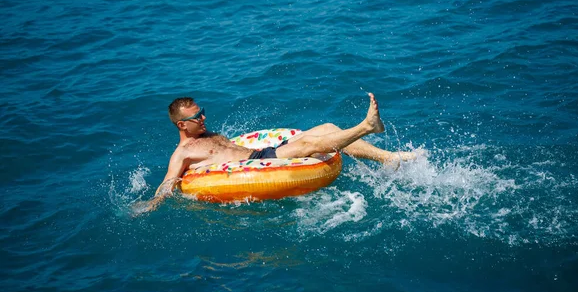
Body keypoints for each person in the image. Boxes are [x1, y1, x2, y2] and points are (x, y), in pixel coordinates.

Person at [133, 93, 416, 214]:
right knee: (308, 146)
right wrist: (154, 202)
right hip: (257, 163)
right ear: (182, 124)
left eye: (203, 112)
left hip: (263, 152)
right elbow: (170, 180)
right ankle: (367, 126)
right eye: (197, 117)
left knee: (327, 127)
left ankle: (389, 158)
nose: (204, 118)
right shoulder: (183, 152)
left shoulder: (206, 133)